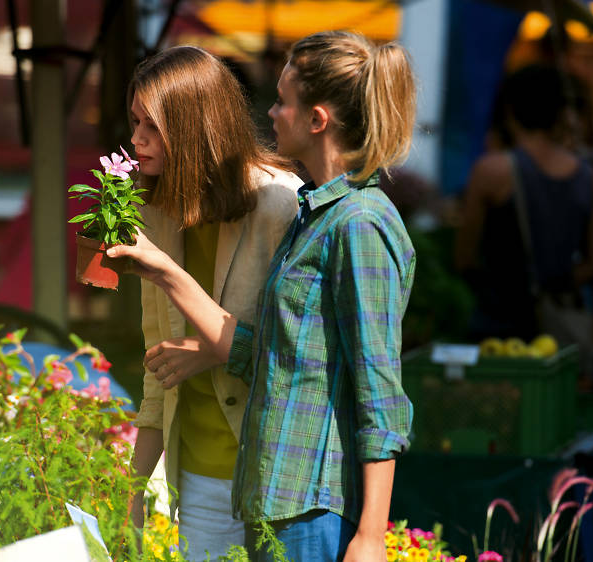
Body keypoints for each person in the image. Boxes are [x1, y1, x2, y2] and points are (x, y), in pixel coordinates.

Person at [110, 31, 418, 561]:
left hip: (308, 499)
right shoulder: (315, 216)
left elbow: (379, 394)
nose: (270, 114)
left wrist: (371, 536)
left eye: (282, 101)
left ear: (316, 119)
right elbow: (281, 355)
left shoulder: (354, 221)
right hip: (271, 489)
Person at [125, 46, 303, 561]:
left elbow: (297, 353)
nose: (136, 139)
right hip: (197, 472)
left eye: (152, 126)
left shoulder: (278, 204)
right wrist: (134, 493)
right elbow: (156, 365)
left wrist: (210, 348)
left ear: (194, 125)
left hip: (271, 470)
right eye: (134, 121)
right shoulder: (153, 211)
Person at [455, 64, 593, 372]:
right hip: (558, 335)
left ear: (510, 111)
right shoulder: (587, 177)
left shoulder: (491, 171)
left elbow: (463, 258)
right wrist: (555, 280)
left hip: (495, 331)